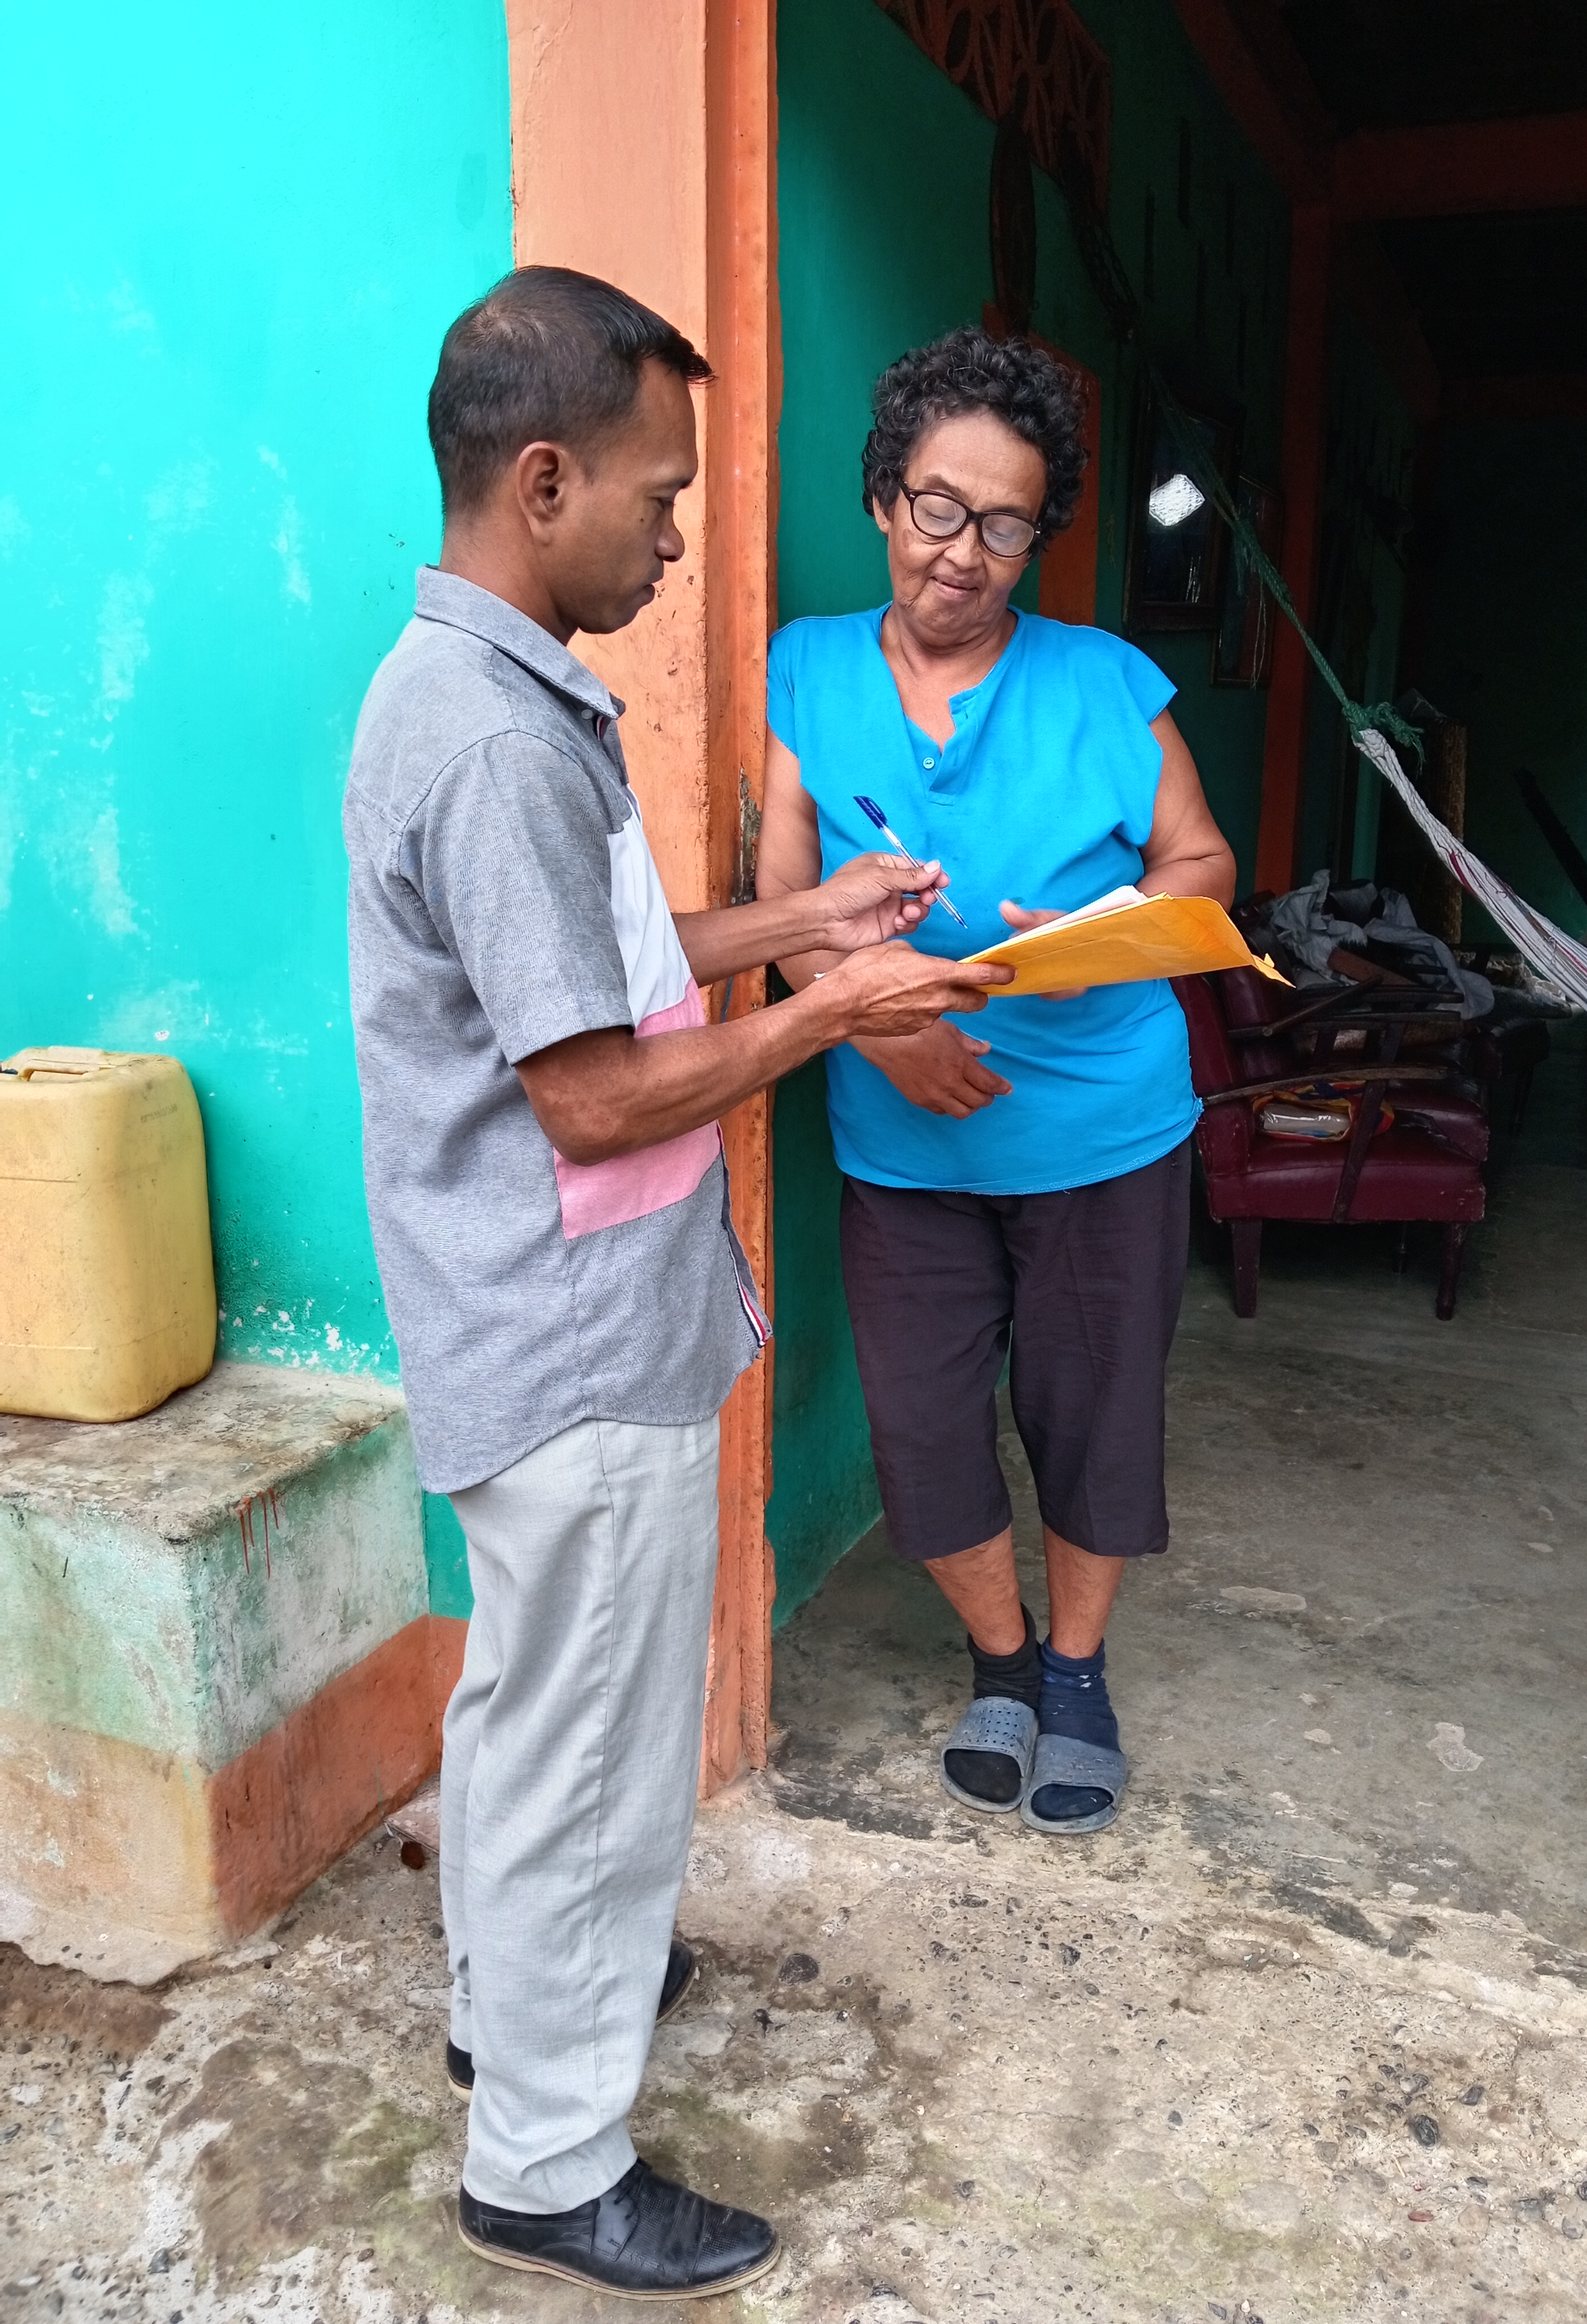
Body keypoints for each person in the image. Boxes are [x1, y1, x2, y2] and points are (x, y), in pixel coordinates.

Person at [343, 269, 1008, 2301]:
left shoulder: (490, 693)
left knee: (531, 1704)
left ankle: (520, 1999)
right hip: (571, 1334)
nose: (674, 535)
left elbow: (596, 975)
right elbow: (592, 1091)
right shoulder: (492, 739)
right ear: (542, 481)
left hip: (539, 1311)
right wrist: (835, 1008)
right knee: (590, 1748)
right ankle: (546, 2160)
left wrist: (797, 921)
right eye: (658, 494)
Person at [756, 326, 1236, 1839]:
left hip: (1103, 1122)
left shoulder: (1106, 684)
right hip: (902, 1136)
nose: (963, 553)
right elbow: (780, 906)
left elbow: (1204, 864)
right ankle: (1003, 1661)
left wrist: (1106, 937)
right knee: (922, 1422)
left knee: (1091, 1410)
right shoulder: (805, 670)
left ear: (1041, 538)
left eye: (1007, 524)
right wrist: (873, 1027)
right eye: (937, 508)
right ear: (882, 498)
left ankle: (1077, 1677)